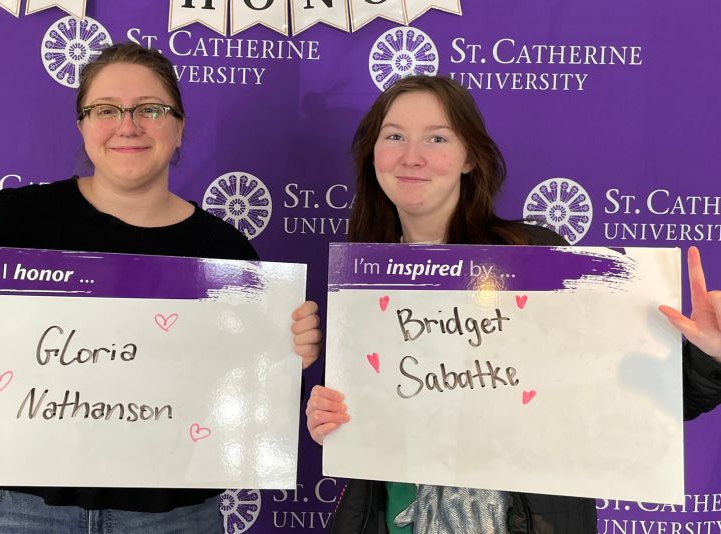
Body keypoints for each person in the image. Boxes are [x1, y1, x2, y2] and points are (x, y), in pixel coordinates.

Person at [0, 42, 321, 533]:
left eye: (150, 110)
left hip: (172, 519)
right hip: (14, 510)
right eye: (106, 110)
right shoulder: (14, 220)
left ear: (179, 129)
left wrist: (286, 363)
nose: (127, 125)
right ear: (83, 126)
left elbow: (249, 412)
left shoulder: (225, 252)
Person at [305, 75, 721, 534]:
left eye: (437, 138)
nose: (412, 156)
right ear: (374, 155)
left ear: (470, 158)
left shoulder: (537, 259)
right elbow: (361, 422)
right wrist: (329, 418)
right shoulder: (361, 282)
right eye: (395, 136)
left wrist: (708, 354)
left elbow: (631, 401)